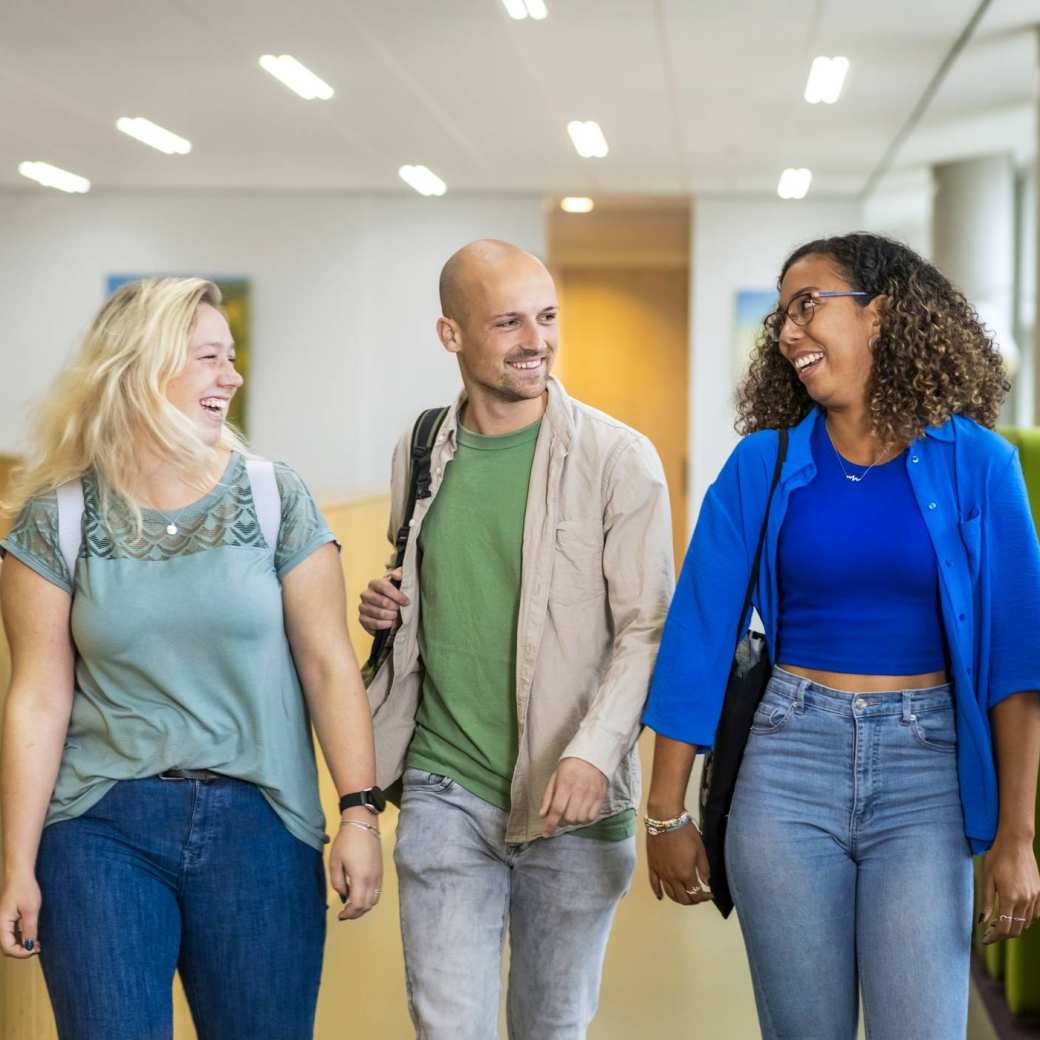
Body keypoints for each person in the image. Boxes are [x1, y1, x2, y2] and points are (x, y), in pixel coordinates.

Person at [643, 232, 1040, 1039]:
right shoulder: (761, 463)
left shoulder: (981, 465)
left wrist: (1016, 835)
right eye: (782, 316)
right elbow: (700, 632)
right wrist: (664, 812)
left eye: (808, 306)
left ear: (882, 316)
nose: (788, 331)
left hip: (926, 778)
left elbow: (1015, 666)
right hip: (788, 764)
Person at [0, 278, 382, 1040]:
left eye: (231, 358)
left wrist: (359, 813)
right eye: (211, 359)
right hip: (99, 827)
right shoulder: (59, 516)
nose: (231, 378)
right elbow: (36, 697)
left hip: (262, 826)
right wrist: (15, 862)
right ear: (141, 371)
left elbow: (329, 665)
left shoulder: (277, 498)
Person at [359, 239, 673, 1039]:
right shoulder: (422, 446)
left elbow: (648, 628)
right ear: (451, 335)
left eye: (546, 316)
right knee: (446, 1027)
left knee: (552, 1025)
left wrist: (594, 751)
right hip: (445, 785)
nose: (536, 340)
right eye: (507, 322)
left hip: (573, 800)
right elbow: (428, 574)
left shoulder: (618, 459)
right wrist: (390, 605)